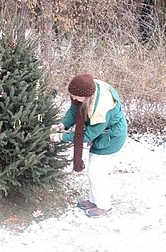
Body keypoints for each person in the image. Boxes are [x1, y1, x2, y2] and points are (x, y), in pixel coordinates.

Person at [50, 73, 127, 218]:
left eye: (76, 97)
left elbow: (85, 136)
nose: (73, 99)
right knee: (94, 170)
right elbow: (74, 110)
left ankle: (104, 206)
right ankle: (93, 200)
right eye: (71, 95)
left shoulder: (102, 110)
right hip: (102, 135)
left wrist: (60, 137)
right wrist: (63, 125)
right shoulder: (88, 89)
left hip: (111, 137)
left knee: (97, 171)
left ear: (87, 96)